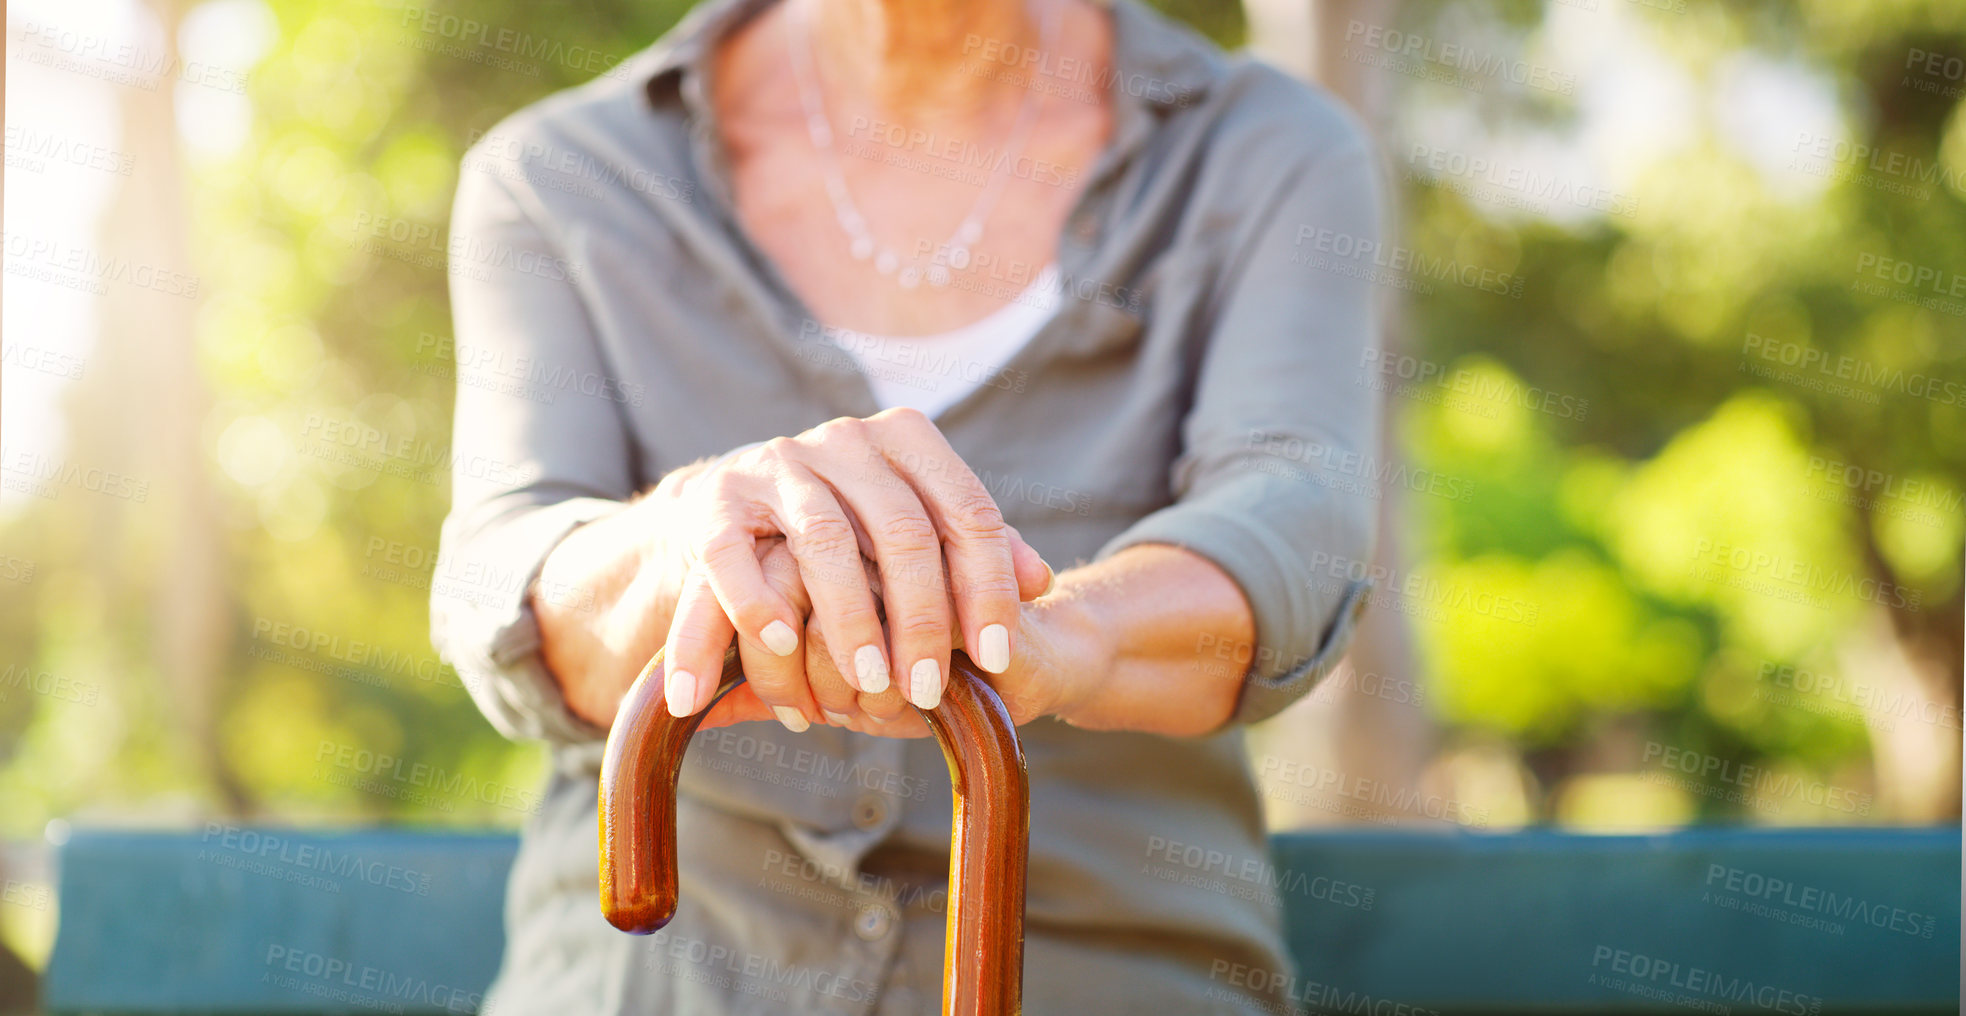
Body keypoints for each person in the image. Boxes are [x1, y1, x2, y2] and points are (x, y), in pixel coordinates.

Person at [431, 0, 1384, 1010]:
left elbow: (1294, 518)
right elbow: (508, 579)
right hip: (661, 975)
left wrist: (1058, 635)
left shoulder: (1267, 149)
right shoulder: (561, 174)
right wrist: (690, 544)